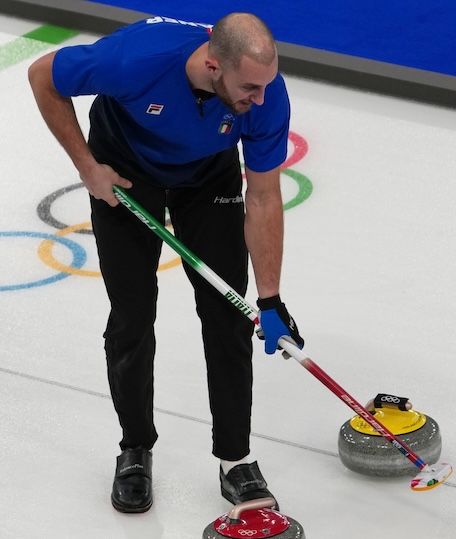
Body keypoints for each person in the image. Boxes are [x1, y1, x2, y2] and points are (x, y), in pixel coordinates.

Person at [28, 13, 303, 513]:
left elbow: (263, 196)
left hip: (207, 179)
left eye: (266, 86)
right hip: (126, 175)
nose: (259, 100)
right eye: (248, 87)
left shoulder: (265, 94)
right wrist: (88, 168)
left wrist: (270, 298)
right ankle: (135, 448)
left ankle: (235, 460)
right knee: (132, 315)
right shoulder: (137, 60)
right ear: (212, 63)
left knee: (229, 316)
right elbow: (43, 76)